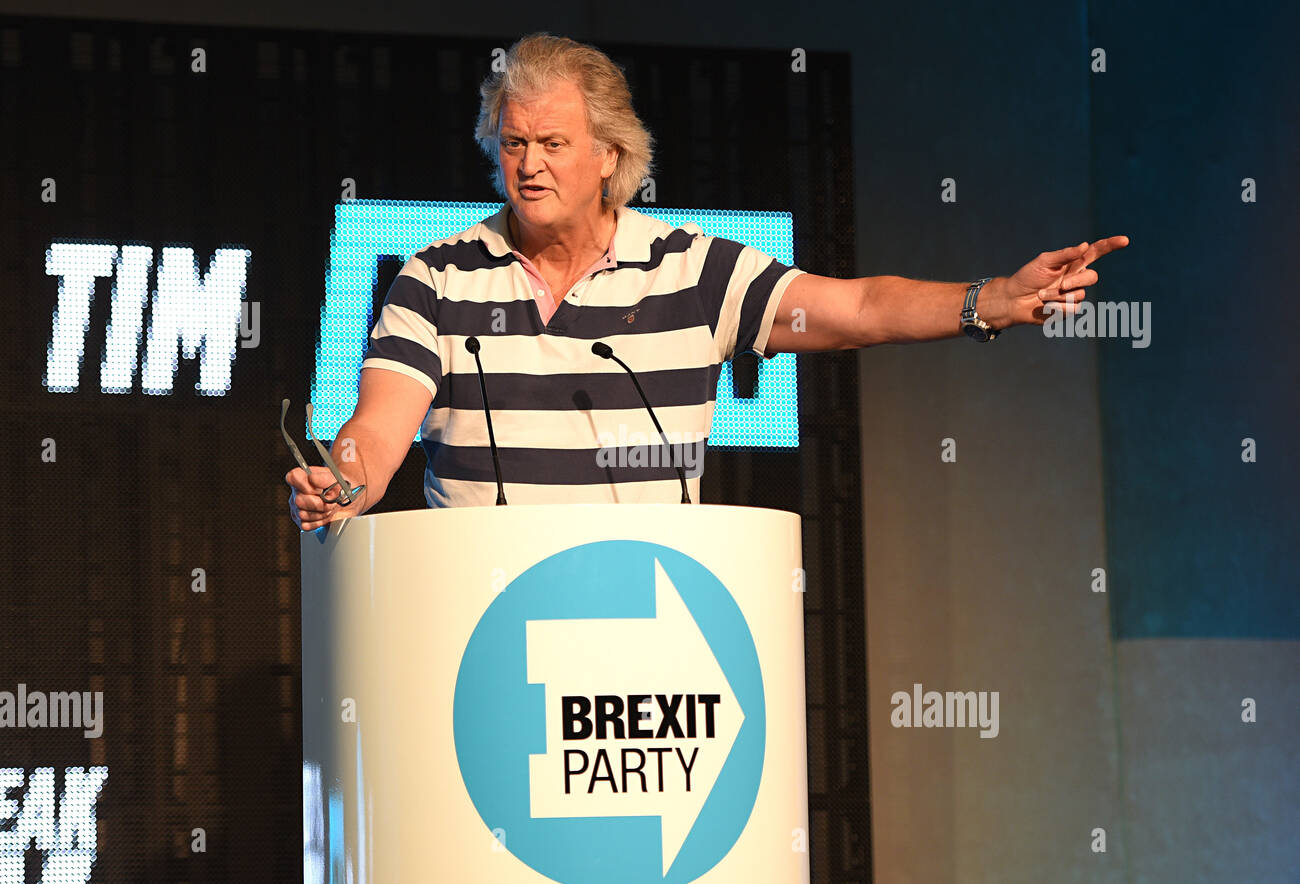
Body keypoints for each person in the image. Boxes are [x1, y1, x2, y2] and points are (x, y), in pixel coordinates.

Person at [288, 32, 1128, 531]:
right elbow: (377, 428)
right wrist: (346, 480)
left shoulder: (693, 269)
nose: (528, 164)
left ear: (609, 154)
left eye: (552, 143)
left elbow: (858, 306)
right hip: (480, 626)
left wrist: (988, 301)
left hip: (649, 631)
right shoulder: (436, 278)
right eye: (513, 143)